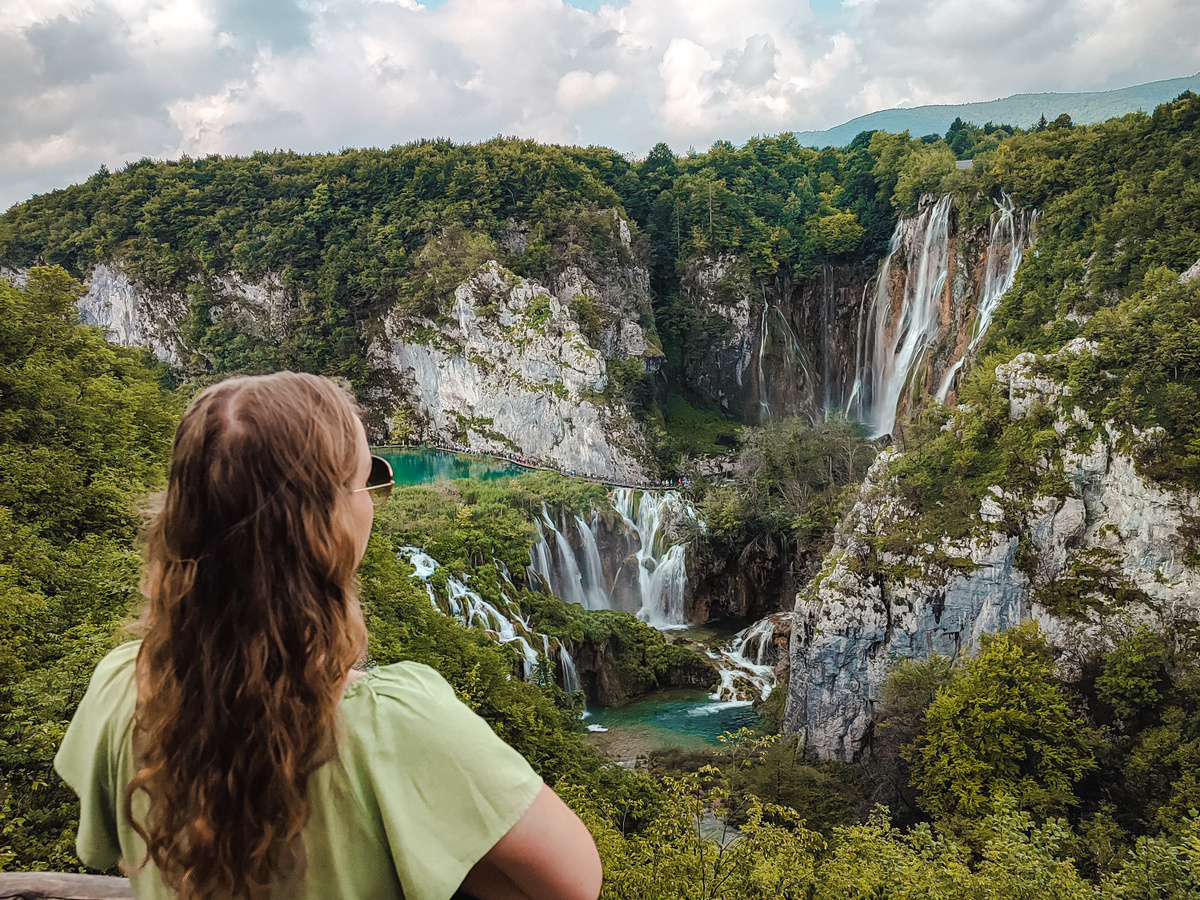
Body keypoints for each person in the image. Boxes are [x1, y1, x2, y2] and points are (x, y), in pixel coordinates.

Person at [54, 372, 602, 900]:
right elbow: (577, 882)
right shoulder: (397, 726)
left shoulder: (121, 689)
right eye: (369, 478)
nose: (374, 495)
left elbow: (116, 853)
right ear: (329, 524)